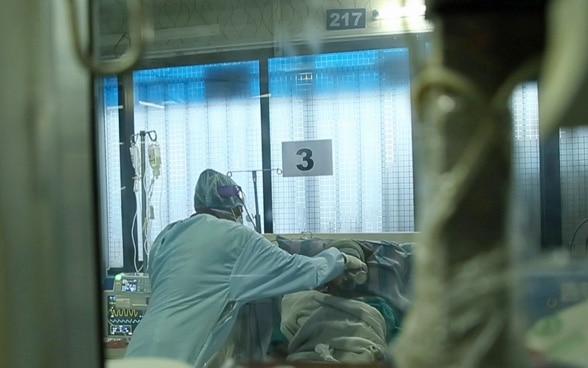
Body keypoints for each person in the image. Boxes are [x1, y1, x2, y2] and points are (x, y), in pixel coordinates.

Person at [124, 169, 367, 368]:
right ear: (236, 209)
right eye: (239, 211)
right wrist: (341, 260)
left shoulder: (169, 235)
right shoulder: (237, 238)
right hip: (177, 358)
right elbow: (299, 269)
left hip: (137, 352)